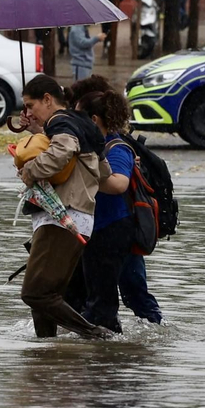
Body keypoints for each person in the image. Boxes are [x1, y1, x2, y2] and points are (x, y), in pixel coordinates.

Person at [16, 74, 111, 339]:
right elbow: (104, 170)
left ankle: (95, 334)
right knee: (46, 297)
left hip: (62, 217)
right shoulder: (79, 122)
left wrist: (29, 170)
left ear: (47, 99)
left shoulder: (60, 121)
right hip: (79, 217)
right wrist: (38, 134)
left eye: (31, 105)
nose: (28, 112)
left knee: (34, 293)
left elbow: (61, 152)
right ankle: (47, 354)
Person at [65, 77, 137, 332]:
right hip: (89, 229)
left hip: (112, 228)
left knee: (103, 301)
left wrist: (84, 177)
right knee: (76, 296)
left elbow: (119, 184)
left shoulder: (115, 146)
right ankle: (87, 352)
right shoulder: (85, 145)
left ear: (93, 120)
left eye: (77, 117)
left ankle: (107, 354)